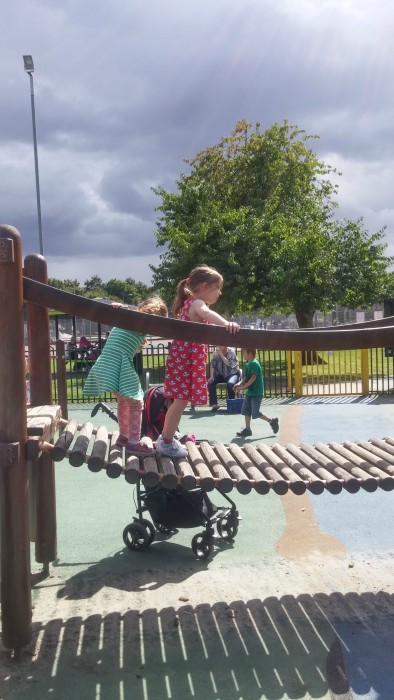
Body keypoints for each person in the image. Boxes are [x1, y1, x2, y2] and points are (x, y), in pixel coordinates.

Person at [156, 265, 240, 459]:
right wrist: (227, 323)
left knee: (179, 400)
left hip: (183, 356)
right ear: (204, 286)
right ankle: (166, 441)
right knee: (181, 400)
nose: (220, 292)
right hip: (184, 358)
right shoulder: (197, 303)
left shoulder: (190, 302)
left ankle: (166, 438)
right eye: (217, 287)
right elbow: (207, 314)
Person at [82, 296, 168, 455]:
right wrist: (118, 309)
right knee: (136, 403)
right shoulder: (141, 324)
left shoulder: (125, 321)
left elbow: (115, 313)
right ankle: (133, 442)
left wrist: (117, 310)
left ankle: (124, 436)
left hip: (106, 364)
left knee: (123, 401)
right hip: (118, 366)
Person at [234, 348, 279, 437]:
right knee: (246, 410)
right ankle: (247, 429)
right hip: (250, 393)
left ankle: (272, 421)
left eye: (244, 352)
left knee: (255, 412)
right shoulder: (247, 365)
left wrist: (243, 387)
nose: (242, 354)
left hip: (257, 393)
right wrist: (239, 384)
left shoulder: (255, 364)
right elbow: (246, 378)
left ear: (250, 353)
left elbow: (253, 378)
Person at [208, 345, 241, 410]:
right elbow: (212, 365)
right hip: (221, 375)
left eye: (221, 345)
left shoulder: (231, 352)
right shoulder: (215, 353)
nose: (219, 346)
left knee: (230, 384)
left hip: (232, 374)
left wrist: (221, 355)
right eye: (218, 345)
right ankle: (214, 404)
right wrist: (211, 376)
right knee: (211, 383)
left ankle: (231, 404)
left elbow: (230, 364)